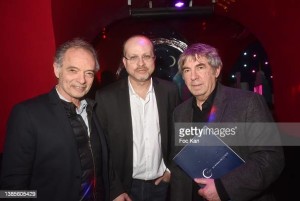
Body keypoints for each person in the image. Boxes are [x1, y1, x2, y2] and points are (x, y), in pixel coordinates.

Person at [0, 38, 127, 201]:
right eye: (73, 70)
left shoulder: (92, 109)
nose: (82, 80)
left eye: (88, 73)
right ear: (57, 69)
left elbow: (103, 161)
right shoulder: (27, 114)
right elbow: (11, 189)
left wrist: (115, 191)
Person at [170, 43, 284, 201]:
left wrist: (224, 188)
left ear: (216, 70)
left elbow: (270, 158)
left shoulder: (248, 103)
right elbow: (179, 170)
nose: (193, 76)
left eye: (200, 67)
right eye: (187, 70)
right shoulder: (179, 113)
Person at [95, 35, 179, 201]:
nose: (141, 63)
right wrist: (115, 189)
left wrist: (171, 170)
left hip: (161, 185)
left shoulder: (170, 91)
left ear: (154, 59)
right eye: (133, 57)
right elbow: (101, 148)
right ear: (124, 62)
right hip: (125, 188)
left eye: (146, 56)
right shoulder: (105, 97)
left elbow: (179, 133)